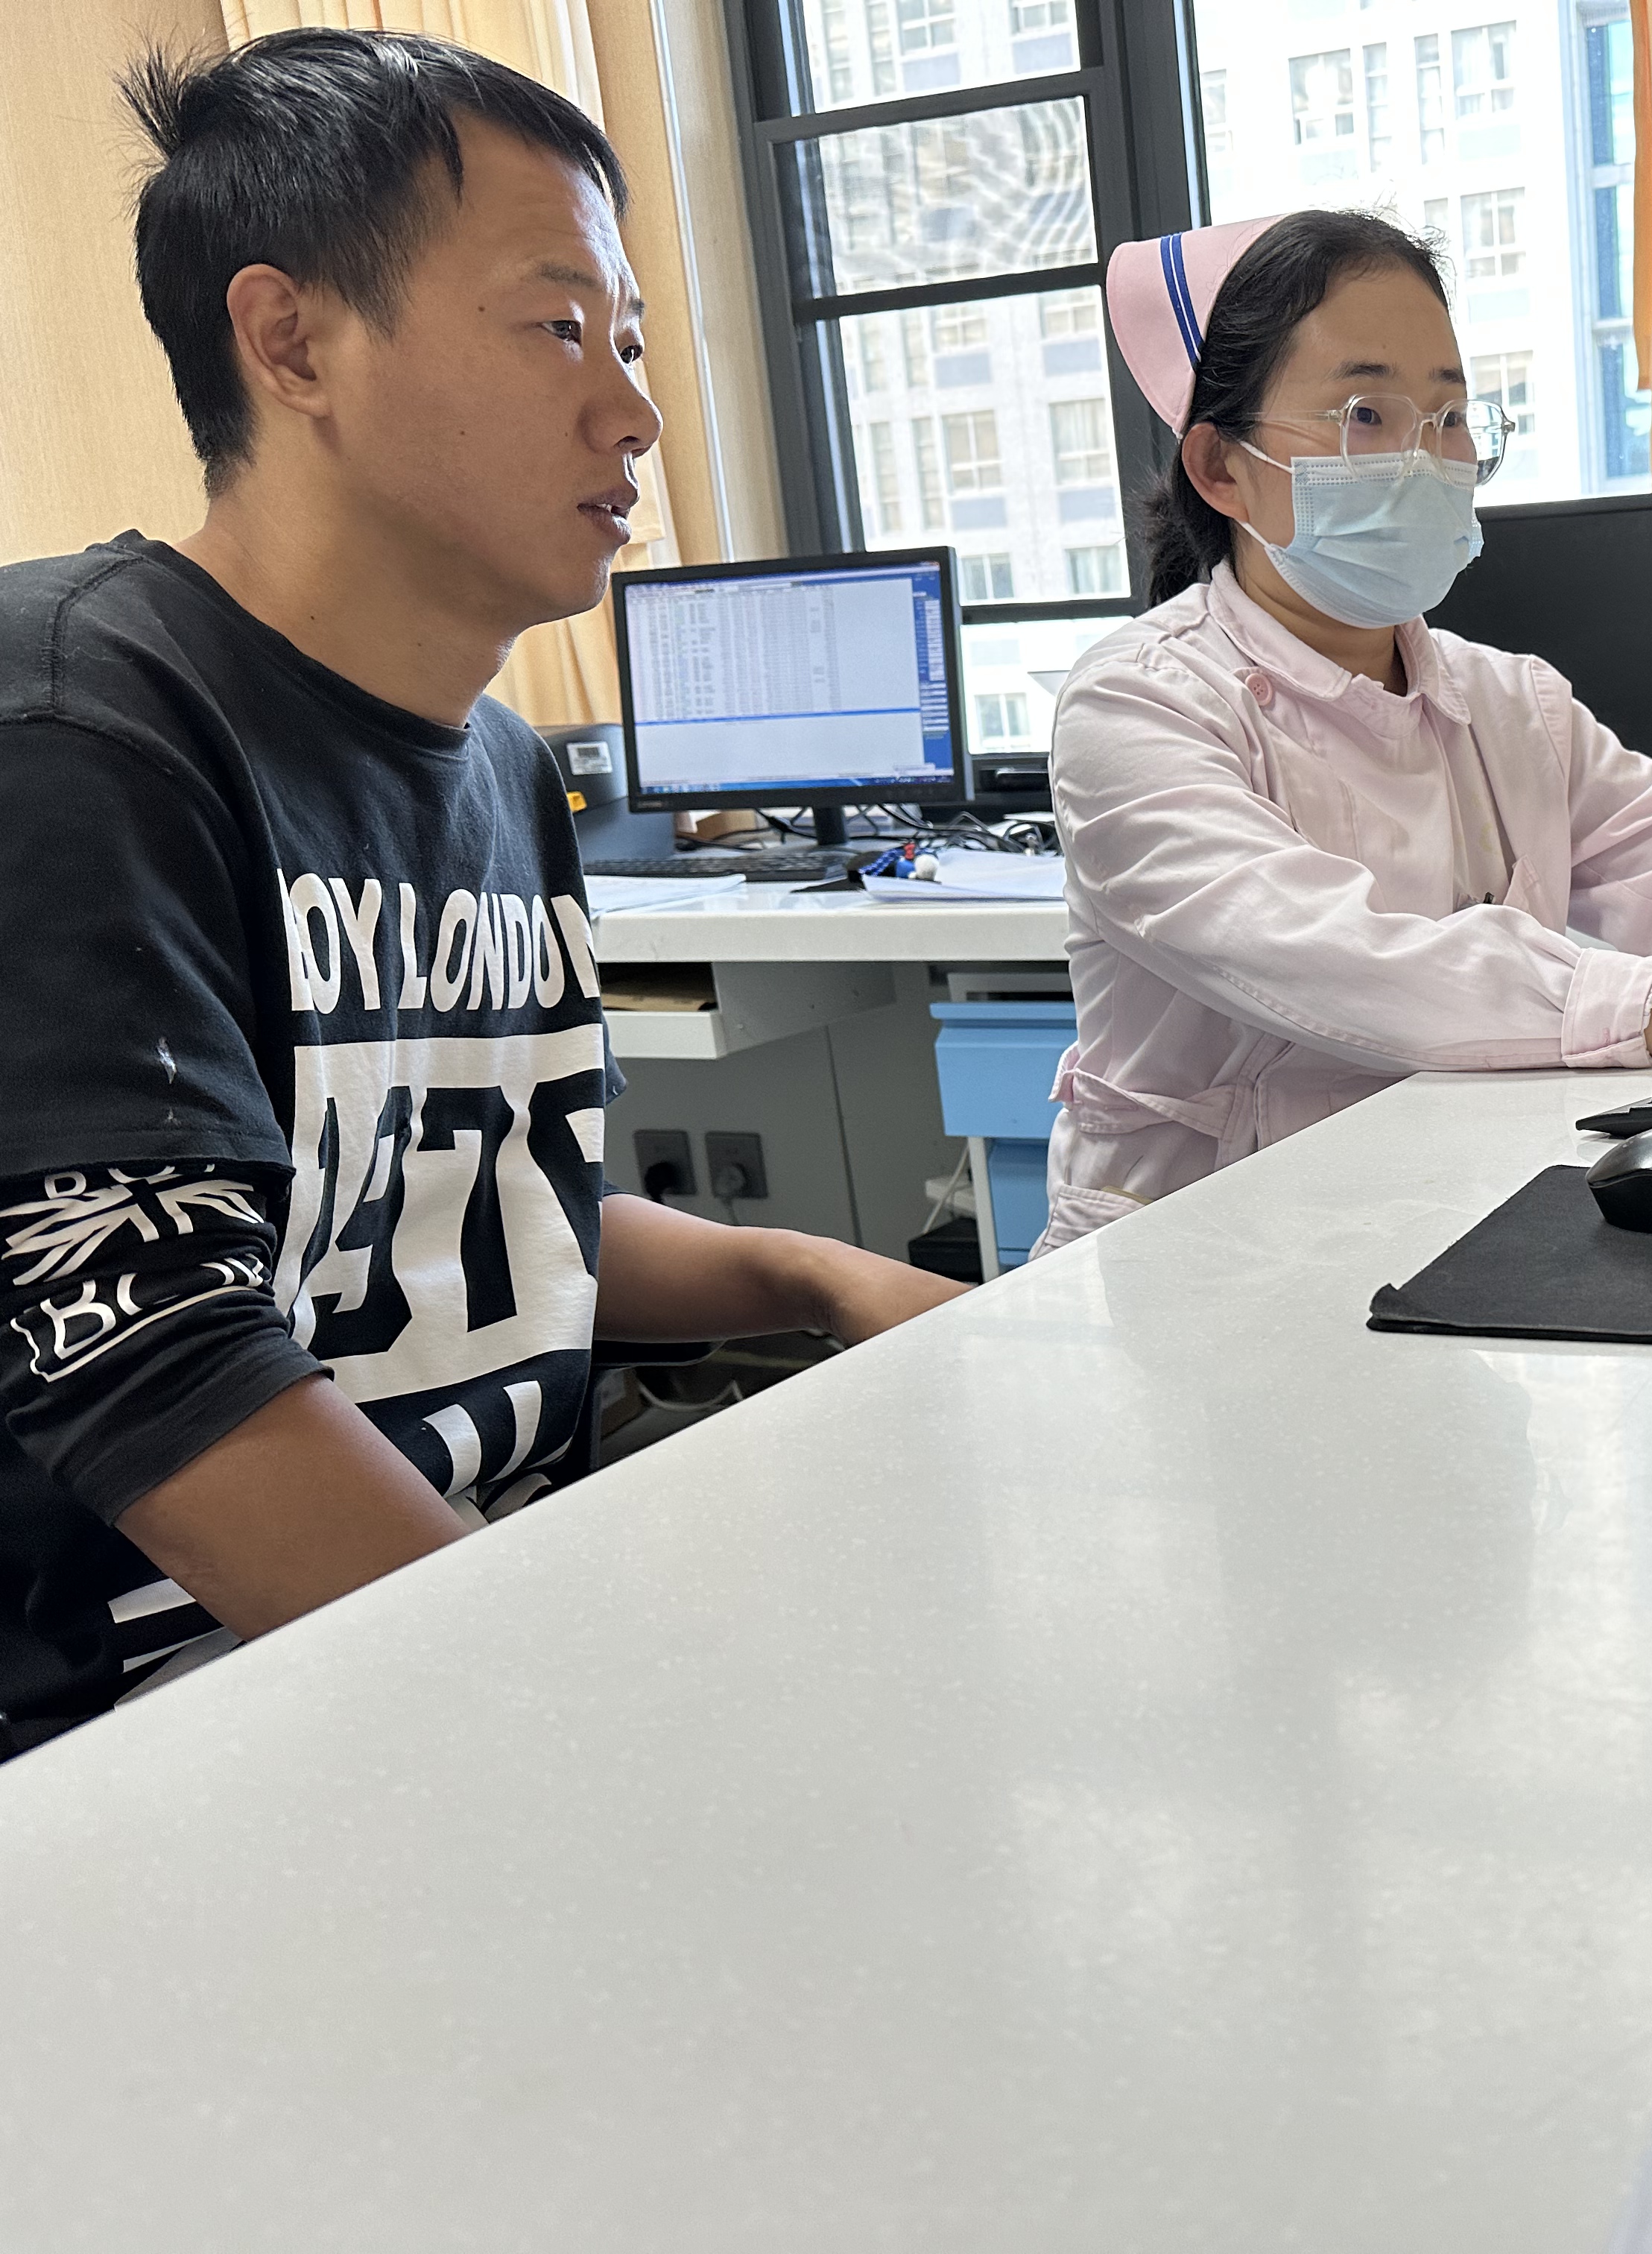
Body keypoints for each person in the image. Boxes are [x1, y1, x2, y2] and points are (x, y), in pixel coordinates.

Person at [0, 28, 965, 1747]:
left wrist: (808, 1274)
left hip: (478, 1602)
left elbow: (498, 1214)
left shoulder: (505, 766)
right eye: (559, 328)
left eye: (634, 344)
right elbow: (163, 1370)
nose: (635, 414)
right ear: (291, 341)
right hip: (168, 1734)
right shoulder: (77, 728)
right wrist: (595, 1728)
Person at [1039, 210, 1652, 1253]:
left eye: (1450, 415)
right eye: (1365, 413)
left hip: (1442, 1212)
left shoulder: (1509, 700)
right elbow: (1339, 955)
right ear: (1219, 468)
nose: (1427, 458)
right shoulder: (1136, 704)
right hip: (1198, 1252)